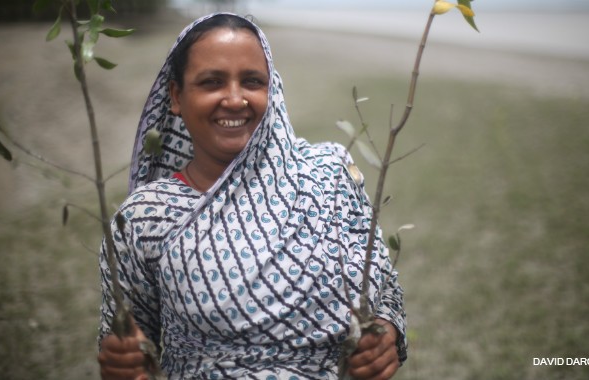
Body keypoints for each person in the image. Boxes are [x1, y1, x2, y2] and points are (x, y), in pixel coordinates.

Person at [98, 13, 407, 380]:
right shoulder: (144, 218)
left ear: (272, 90)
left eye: (252, 82)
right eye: (212, 82)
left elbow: (384, 284)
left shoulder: (330, 172)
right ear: (177, 96)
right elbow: (129, 345)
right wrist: (121, 363)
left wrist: (388, 329)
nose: (234, 99)